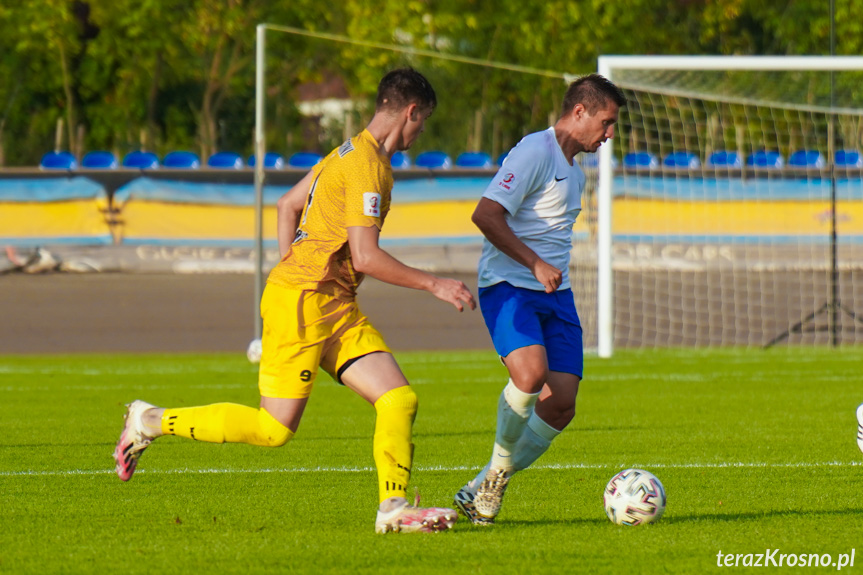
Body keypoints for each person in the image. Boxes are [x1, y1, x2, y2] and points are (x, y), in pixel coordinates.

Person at [113, 68, 476, 534]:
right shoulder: (365, 165)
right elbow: (365, 256)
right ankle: (148, 420)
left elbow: (287, 204)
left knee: (398, 399)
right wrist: (434, 284)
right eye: (422, 120)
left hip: (332, 304)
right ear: (410, 111)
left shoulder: (345, 151)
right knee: (274, 430)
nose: (421, 131)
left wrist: (294, 263)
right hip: (305, 303)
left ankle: (393, 509)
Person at [452, 74, 626, 525]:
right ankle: (493, 483)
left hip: (556, 294)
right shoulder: (535, 150)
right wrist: (533, 263)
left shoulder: (575, 168)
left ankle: (486, 480)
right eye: (606, 123)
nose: (610, 135)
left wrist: (546, 271)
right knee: (529, 377)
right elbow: (485, 214)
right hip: (510, 287)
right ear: (579, 112)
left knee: (562, 403)